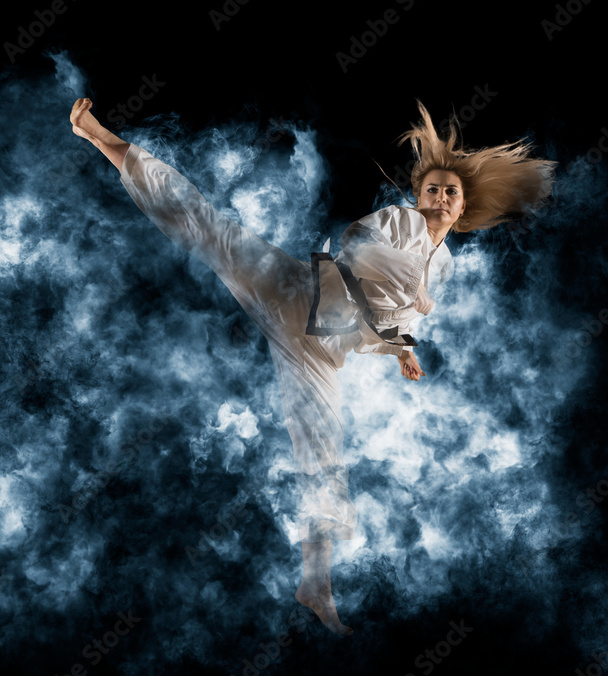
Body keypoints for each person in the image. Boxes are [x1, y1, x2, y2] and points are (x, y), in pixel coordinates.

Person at [70, 98, 554, 635]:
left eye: (450, 192)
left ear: (462, 210)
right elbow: (357, 243)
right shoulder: (401, 222)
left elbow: (386, 320)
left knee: (324, 454)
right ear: (418, 197)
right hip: (295, 291)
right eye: (433, 189)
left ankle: (315, 584)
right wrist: (407, 281)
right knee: (208, 227)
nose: (440, 197)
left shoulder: (443, 265)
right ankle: (103, 139)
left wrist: (401, 349)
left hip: (319, 350)